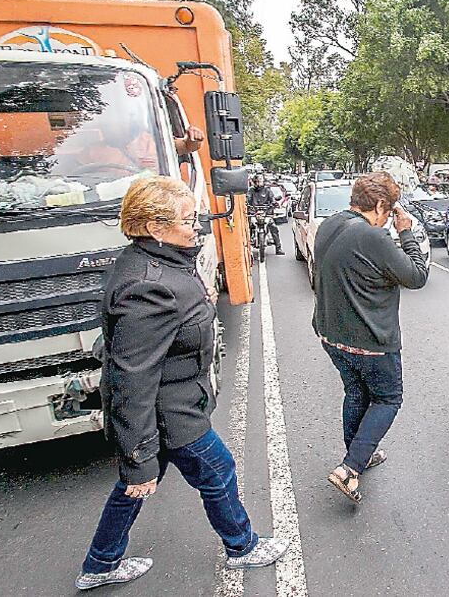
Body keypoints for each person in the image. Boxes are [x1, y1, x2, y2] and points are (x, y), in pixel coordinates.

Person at [76, 176, 287, 591]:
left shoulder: (158, 260)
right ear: (155, 227)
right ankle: (241, 547)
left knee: (134, 488)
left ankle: (100, 564)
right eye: (189, 219)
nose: (198, 226)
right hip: (171, 413)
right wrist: (138, 454)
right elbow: (129, 378)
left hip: (174, 405)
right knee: (217, 470)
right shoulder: (148, 286)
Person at [312, 172, 428, 503]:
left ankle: (359, 456)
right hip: (371, 342)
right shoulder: (373, 238)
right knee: (388, 399)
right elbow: (417, 276)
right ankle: (349, 469)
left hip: (332, 335)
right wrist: (405, 233)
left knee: (355, 394)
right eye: (389, 212)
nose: (389, 219)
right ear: (379, 204)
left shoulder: (329, 224)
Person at [247, 174, 283, 255]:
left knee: (274, 228)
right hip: (254, 213)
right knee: (248, 227)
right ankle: (246, 247)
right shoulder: (251, 191)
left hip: (266, 213)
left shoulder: (267, 190)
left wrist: (274, 203)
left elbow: (272, 199)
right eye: (256, 182)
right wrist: (247, 205)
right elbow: (248, 199)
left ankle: (278, 248)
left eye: (259, 181)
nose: (257, 183)